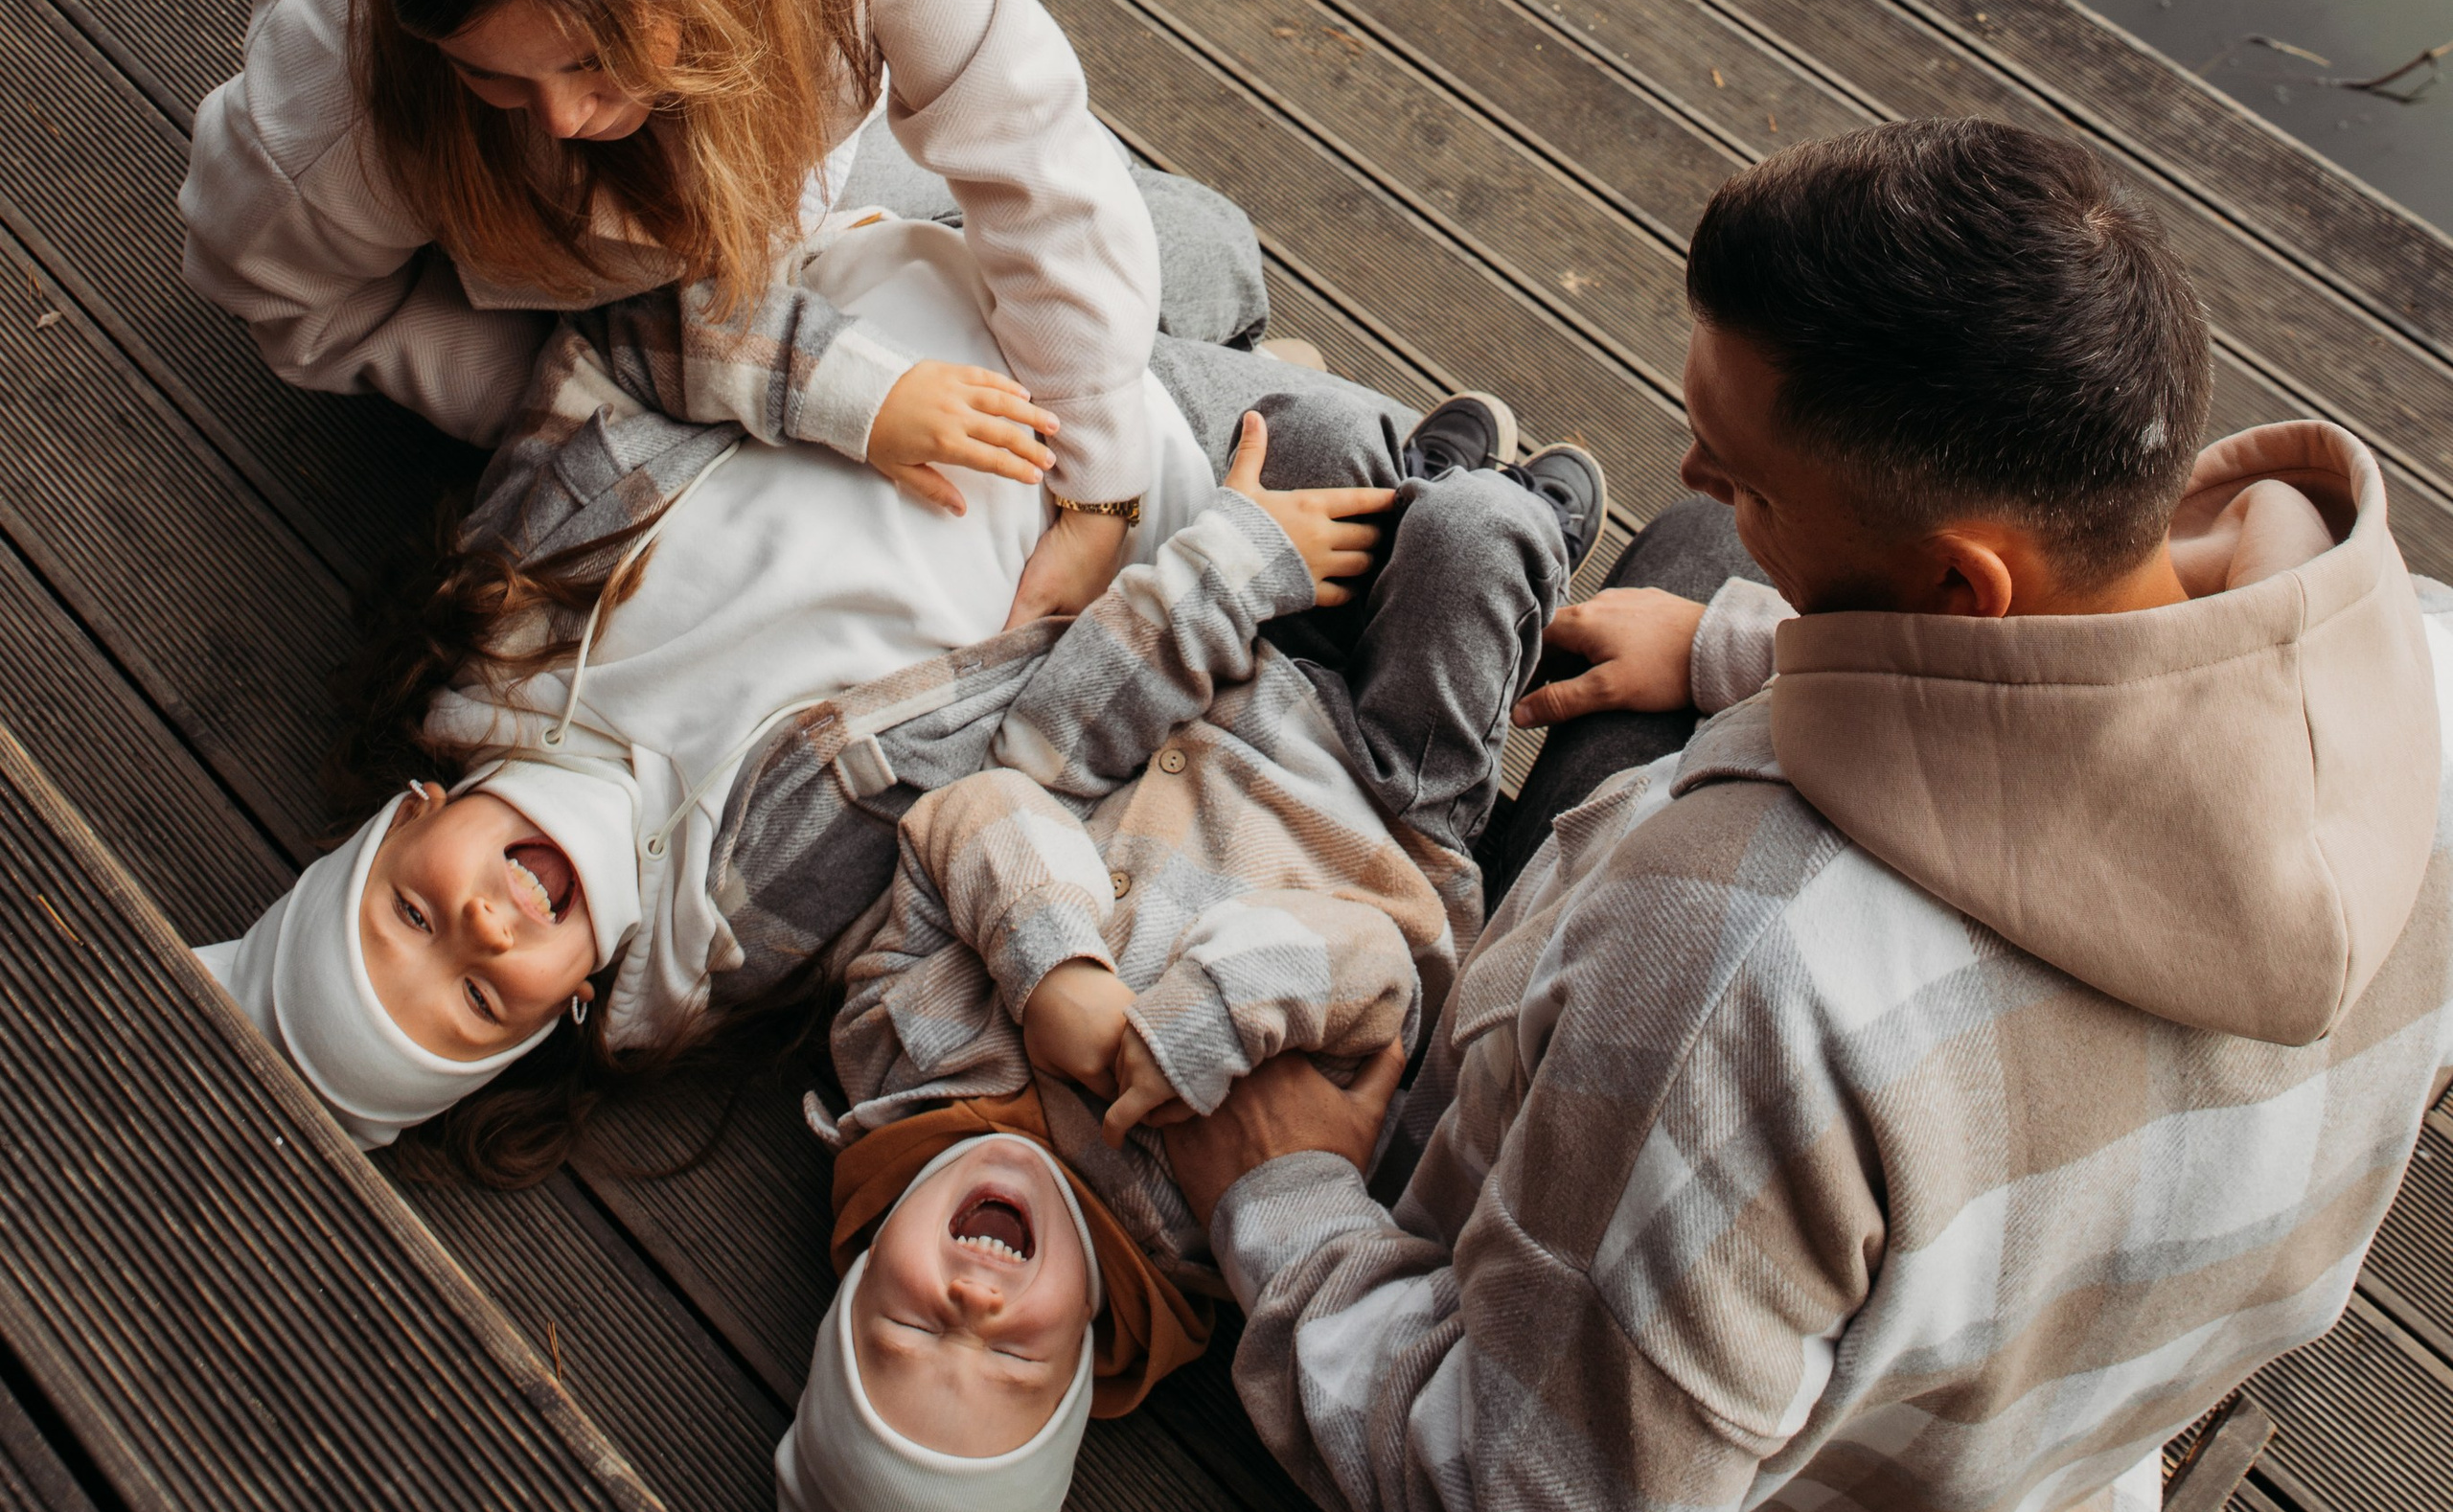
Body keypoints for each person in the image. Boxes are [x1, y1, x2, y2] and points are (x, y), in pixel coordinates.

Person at [1164, 120, 2453, 1512]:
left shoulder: (1743, 979)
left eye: (1743, 458)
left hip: (1677, 1469)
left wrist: (1283, 1206)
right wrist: (1735, 650)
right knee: (1700, 566)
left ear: (1961, 596)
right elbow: (2098, 712)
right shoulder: (2418, 667)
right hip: (2041, 1418)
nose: (1695, 463)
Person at [195, 196, 1602, 1187]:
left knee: (1205, 241)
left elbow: (623, 347)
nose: (486, 923)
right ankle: (1312, 426)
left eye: (413, 912)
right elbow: (1027, 759)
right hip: (1089, 491)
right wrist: (1201, 566)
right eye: (477, 994)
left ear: (405, 818)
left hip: (911, 288)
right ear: (555, 1017)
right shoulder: (728, 921)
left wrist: (860, 398)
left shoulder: (498, 612)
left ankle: (1234, 343)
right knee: (1372, 474)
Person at [775, 382, 1593, 1512]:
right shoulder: (1204, 1222)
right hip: (1382, 800)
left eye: (908, 1328)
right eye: (1004, 1369)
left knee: (1308, 434)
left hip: (1203, 698)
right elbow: (1379, 973)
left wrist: (1062, 985)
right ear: (1084, 1374)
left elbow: (977, 812)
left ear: (856, 1280)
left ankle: (1423, 472)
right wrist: (1210, 1017)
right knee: (1475, 542)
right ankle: (1516, 514)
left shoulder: (893, 1049)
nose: (972, 1313)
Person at [177, 0, 1251, 627]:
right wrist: (593, 395)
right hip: (583, 319)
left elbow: (1017, 129)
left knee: (1203, 245)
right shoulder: (333, 105)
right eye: (494, 77)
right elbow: (290, 300)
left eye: (594, 62)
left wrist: (1101, 490)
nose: (554, 119)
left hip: (806, 189)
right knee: (1158, 297)